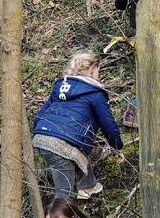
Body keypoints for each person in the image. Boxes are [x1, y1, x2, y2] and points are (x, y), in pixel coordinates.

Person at [32, 50, 124, 200]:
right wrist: (117, 146)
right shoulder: (95, 93)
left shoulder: (61, 86)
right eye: (97, 70)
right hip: (61, 143)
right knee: (64, 194)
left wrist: (39, 131)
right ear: (92, 69)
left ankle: (88, 187)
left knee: (77, 153)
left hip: (42, 136)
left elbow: (42, 113)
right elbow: (108, 123)